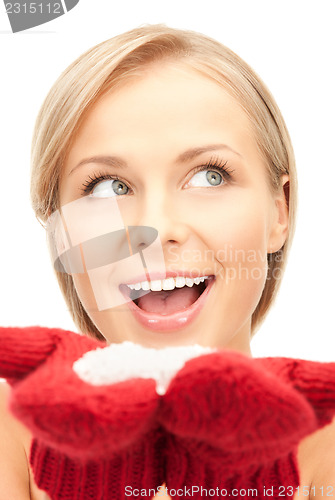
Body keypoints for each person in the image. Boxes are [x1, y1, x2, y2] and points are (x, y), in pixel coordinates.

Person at [1, 24, 335, 500]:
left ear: (279, 210)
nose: (155, 228)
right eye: (107, 187)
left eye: (209, 177)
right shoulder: (11, 431)